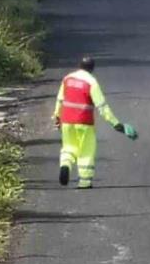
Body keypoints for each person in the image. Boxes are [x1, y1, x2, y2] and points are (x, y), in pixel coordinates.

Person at [53, 57, 137, 189]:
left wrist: (57, 116)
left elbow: (59, 99)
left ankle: (65, 165)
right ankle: (85, 182)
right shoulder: (91, 82)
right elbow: (102, 107)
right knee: (86, 151)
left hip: (67, 120)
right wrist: (116, 124)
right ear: (92, 69)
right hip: (84, 121)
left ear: (79, 65)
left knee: (68, 147)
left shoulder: (67, 79)